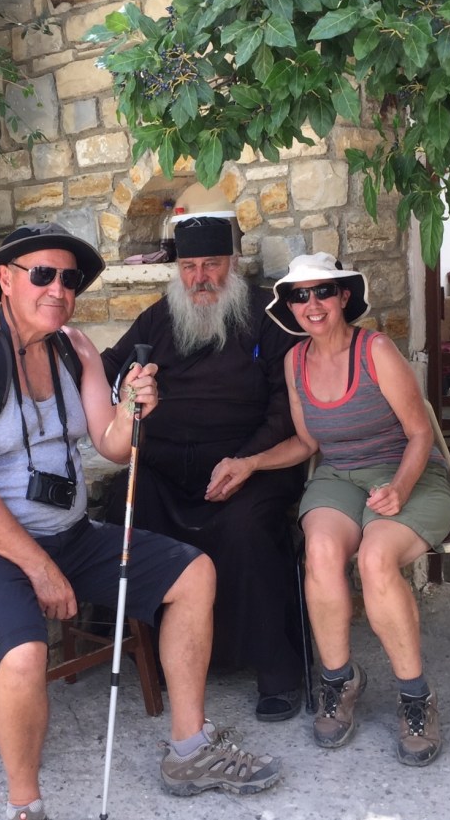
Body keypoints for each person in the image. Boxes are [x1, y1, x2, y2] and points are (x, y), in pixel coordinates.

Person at [0, 222, 282, 820]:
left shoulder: (77, 349)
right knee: (23, 652)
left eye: (69, 279)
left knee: (193, 573)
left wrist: (132, 410)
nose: (58, 289)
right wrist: (40, 569)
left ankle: (190, 748)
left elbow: (113, 445)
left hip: (69, 534)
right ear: (6, 280)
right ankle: (26, 804)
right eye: (42, 274)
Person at [207, 252, 450, 767]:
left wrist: (401, 489)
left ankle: (416, 697)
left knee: (376, 560)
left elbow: (420, 432)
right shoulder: (294, 362)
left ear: (344, 297)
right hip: (339, 476)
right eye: (300, 295)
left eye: (323, 292)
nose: (312, 304)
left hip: (406, 473)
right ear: (290, 305)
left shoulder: (376, 350)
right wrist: (251, 463)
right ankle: (339, 682)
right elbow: (305, 442)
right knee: (319, 551)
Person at [101, 215, 305, 722]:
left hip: (249, 464)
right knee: (127, 505)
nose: (200, 277)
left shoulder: (267, 316)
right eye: (189, 266)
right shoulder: (158, 318)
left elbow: (285, 407)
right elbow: (110, 369)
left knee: (247, 528)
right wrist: (123, 396)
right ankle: (156, 656)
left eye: (211, 264)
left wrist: (246, 462)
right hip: (168, 466)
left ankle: (276, 672)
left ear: (232, 264)